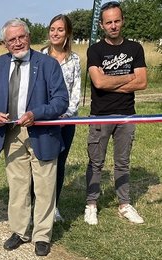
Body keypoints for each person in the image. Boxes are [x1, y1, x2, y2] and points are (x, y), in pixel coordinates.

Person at [0, 18, 68, 256]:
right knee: (18, 186)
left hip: (43, 132)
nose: (17, 43)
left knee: (45, 185)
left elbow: (61, 101)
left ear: (29, 37)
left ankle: (42, 235)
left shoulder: (48, 64)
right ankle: (19, 231)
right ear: (5, 44)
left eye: (21, 37)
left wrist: (36, 114)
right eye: (11, 40)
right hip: (11, 134)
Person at [84, 1, 147, 225]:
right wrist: (128, 77)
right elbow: (99, 82)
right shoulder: (95, 50)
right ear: (101, 25)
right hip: (100, 115)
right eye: (108, 22)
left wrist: (113, 82)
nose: (113, 26)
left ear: (122, 21)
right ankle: (91, 204)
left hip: (126, 115)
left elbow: (142, 82)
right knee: (95, 162)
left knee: (122, 162)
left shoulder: (135, 48)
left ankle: (124, 204)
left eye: (117, 21)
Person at [41, 14, 81, 222]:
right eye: (52, 29)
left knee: (59, 164)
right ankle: (38, 206)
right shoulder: (39, 56)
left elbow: (76, 92)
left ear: (67, 33)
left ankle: (54, 207)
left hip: (66, 121)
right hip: (44, 120)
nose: (55, 33)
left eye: (60, 29)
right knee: (42, 164)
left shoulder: (74, 60)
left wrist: (67, 114)